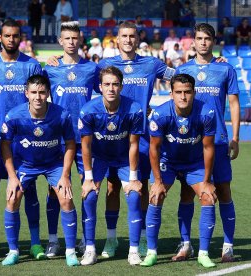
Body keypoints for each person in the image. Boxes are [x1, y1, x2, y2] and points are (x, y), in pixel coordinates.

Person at [96, 22, 175, 258]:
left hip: (140, 136)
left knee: (139, 189)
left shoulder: (151, 64)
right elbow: (78, 81)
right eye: (124, 36)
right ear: (116, 39)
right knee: (111, 188)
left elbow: (180, 77)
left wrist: (210, 62)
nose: (128, 40)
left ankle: (140, 239)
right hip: (112, 136)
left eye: (132, 36)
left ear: (138, 38)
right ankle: (111, 239)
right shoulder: (104, 66)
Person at [173, 23, 240, 263]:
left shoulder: (225, 69)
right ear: (193, 41)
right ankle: (186, 244)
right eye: (199, 38)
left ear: (213, 41)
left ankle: (228, 246)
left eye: (207, 38)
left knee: (223, 190)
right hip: (190, 142)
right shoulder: (183, 69)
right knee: (187, 193)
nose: (203, 42)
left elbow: (233, 103)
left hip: (220, 140)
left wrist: (235, 137)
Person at [0, 19, 44, 260]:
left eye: (15, 36)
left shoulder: (32, 66)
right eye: (7, 36)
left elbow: (41, 101)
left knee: (29, 191)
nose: (11, 40)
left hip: (26, 142)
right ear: (0, 38)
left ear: (20, 38)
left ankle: (35, 242)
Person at [0, 74, 79, 267]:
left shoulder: (62, 115)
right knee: (12, 198)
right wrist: (11, 176)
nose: (38, 97)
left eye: (42, 92)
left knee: (66, 197)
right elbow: (5, 145)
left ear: (48, 94)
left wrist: (66, 175)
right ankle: (13, 251)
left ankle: (70, 252)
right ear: (26, 93)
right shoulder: (14, 116)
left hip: (53, 163)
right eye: (34, 92)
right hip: (25, 164)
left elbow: (70, 144)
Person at [140, 73, 217, 268]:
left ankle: (203, 253)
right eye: (179, 92)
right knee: (155, 196)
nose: (183, 97)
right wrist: (157, 181)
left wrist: (207, 181)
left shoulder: (206, 113)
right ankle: (151, 252)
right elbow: (154, 149)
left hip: (194, 162)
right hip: (169, 161)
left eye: (187, 92)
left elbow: (208, 148)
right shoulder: (160, 114)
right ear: (171, 94)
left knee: (207, 196)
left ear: (194, 92)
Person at [43, 21, 98, 258]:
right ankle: (54, 240)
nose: (71, 42)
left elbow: (108, 91)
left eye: (75, 38)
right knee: (54, 189)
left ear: (80, 40)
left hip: (85, 139)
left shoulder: (91, 69)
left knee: (89, 188)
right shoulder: (50, 69)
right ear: (60, 41)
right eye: (67, 38)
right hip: (58, 140)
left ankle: (87, 240)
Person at [79, 66, 144, 266]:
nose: (111, 88)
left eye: (115, 84)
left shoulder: (134, 109)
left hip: (124, 158)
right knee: (89, 196)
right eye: (106, 84)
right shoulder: (88, 110)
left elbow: (134, 144)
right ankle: (90, 249)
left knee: (134, 196)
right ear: (100, 87)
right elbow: (86, 145)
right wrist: (88, 178)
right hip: (99, 158)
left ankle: (134, 250)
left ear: (121, 87)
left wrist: (133, 178)